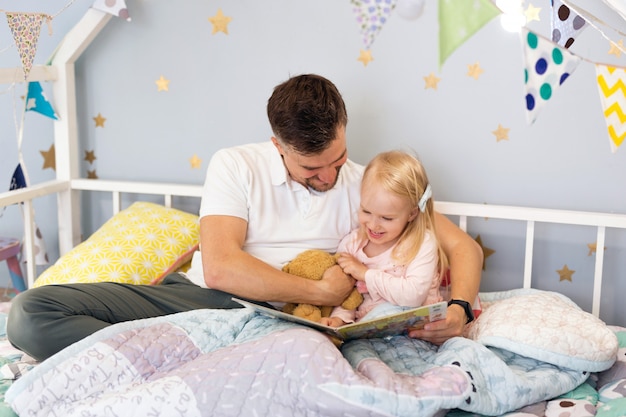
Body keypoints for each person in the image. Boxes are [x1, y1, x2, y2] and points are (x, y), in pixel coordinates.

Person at [7, 74, 483, 361]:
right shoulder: (235, 164)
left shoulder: (369, 186)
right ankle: (176, 352)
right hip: (203, 300)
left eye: (336, 160)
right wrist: (318, 290)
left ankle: (170, 357)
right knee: (30, 314)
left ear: (344, 131)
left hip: (295, 325)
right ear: (278, 146)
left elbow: (463, 247)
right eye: (311, 168)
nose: (328, 177)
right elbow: (220, 268)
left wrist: (459, 310)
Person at [320, 150, 445, 328]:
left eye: (386, 218)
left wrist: (365, 274)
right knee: (357, 353)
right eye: (366, 211)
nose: (373, 225)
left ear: (411, 214)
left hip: (418, 330)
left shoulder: (421, 242)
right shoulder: (352, 245)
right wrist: (339, 319)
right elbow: (348, 297)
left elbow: (413, 295)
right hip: (370, 332)